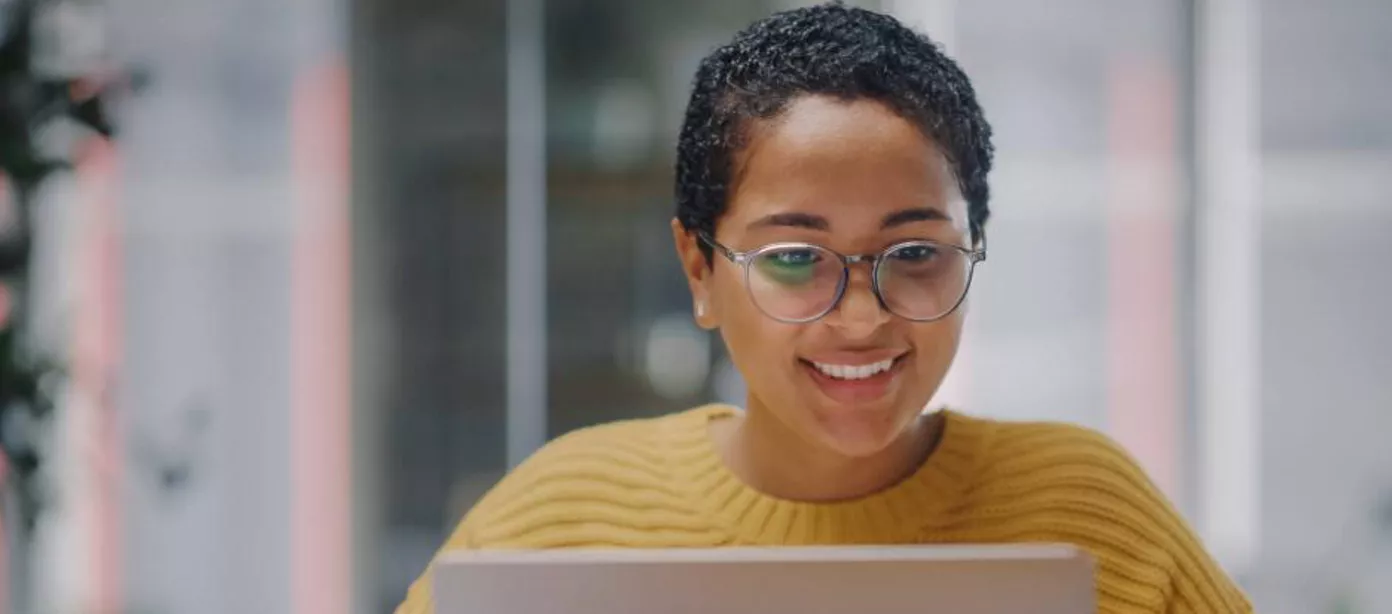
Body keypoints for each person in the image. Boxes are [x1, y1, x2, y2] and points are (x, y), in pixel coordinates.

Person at [396, 3, 1251, 613]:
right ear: (700, 270)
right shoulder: (557, 521)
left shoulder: (1091, 516)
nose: (859, 319)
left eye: (915, 254)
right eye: (795, 258)